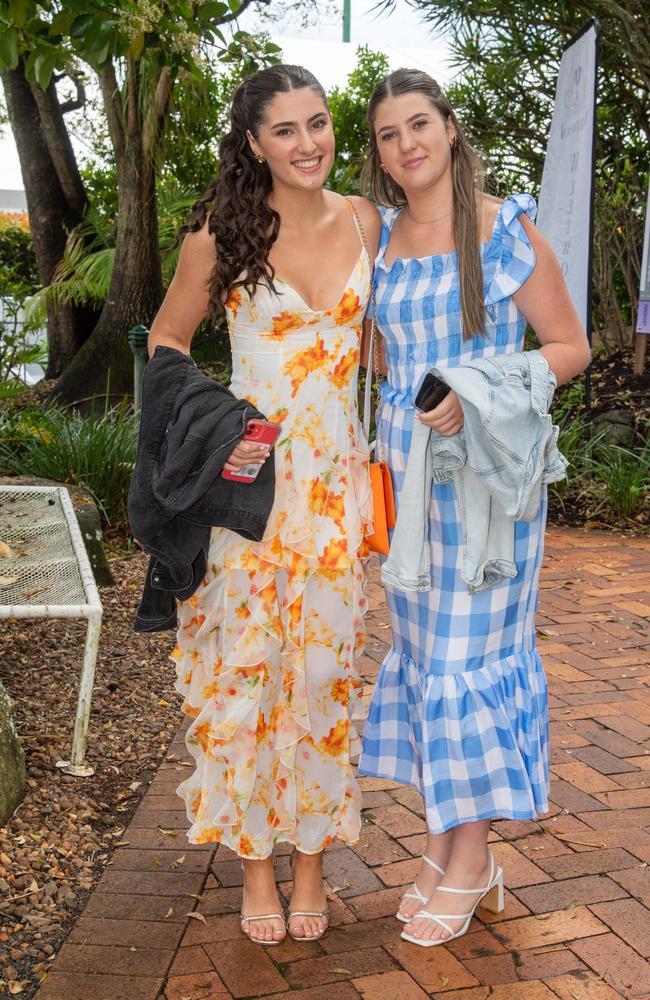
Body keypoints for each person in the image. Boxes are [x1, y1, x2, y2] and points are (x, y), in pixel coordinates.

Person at [357, 68, 591, 947]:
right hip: (411, 485)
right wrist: (409, 402)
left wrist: (474, 388)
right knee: (427, 664)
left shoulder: (501, 229)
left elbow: (570, 345)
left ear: (449, 130)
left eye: (419, 123)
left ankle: (468, 855)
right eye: (387, 134)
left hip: (488, 485)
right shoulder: (377, 239)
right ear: (379, 153)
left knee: (468, 663)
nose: (406, 143)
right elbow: (384, 349)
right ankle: (456, 853)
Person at [147, 64, 380, 946]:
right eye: (285, 130)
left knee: (322, 675)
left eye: (317, 124)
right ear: (252, 142)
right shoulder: (220, 231)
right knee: (247, 673)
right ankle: (255, 864)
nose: (308, 143)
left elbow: (386, 345)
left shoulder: (366, 220)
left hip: (333, 492)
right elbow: (168, 340)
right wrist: (216, 418)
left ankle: (313, 859)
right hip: (246, 487)